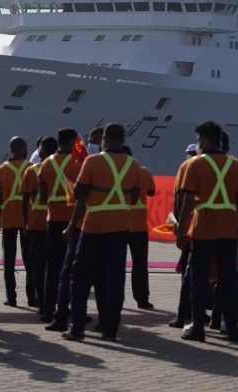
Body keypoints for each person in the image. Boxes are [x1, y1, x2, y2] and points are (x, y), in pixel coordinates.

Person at [62, 122, 141, 341]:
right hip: (120, 228)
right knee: (116, 281)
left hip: (94, 226)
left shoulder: (93, 161)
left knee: (80, 278)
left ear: (104, 139)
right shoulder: (133, 165)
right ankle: (110, 330)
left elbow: (78, 193)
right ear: (123, 141)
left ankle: (76, 328)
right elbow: (134, 198)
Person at [175, 120, 238, 342]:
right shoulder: (236, 165)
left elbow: (187, 201)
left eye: (198, 140)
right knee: (229, 279)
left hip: (203, 229)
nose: (198, 145)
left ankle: (198, 327)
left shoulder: (194, 165)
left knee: (199, 279)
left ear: (205, 140)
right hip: (229, 229)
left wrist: (180, 229)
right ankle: (231, 326)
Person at [41, 128, 82, 331]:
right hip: (75, 221)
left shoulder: (46, 163)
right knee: (73, 269)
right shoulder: (79, 163)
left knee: (53, 267)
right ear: (73, 141)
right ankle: (72, 310)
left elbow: (41, 196)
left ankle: (49, 310)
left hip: (53, 219)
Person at [23, 137, 56, 315]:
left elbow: (25, 200)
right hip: (57, 220)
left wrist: (26, 224)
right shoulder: (64, 169)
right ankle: (57, 303)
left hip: (36, 223)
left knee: (37, 265)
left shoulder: (30, 171)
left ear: (41, 150)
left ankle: (42, 305)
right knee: (56, 266)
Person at [168, 142, 199, 329]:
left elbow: (178, 201)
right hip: (193, 229)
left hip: (192, 230)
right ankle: (189, 310)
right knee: (191, 273)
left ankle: (187, 311)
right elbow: (177, 202)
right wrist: (176, 226)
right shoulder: (190, 170)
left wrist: (177, 227)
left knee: (190, 273)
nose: (189, 155)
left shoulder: (187, 170)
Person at [0, 136, 29, 308]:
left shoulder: (1, 169)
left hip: (8, 215)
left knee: (8, 259)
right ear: (23, 149)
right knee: (29, 257)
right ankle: (33, 296)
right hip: (26, 216)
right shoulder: (31, 168)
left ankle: (11, 297)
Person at [128, 153, 156, 309]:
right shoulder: (144, 171)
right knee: (140, 263)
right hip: (139, 226)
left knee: (113, 264)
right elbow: (151, 191)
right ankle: (142, 298)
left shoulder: (114, 172)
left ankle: (111, 296)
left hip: (118, 223)